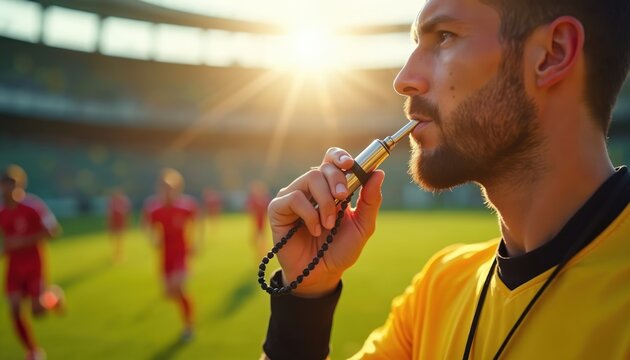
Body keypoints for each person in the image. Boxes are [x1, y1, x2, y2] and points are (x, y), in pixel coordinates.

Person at [261, 0, 630, 359]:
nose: (403, 80)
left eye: (445, 36)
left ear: (552, 52)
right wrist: (306, 297)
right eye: (415, 44)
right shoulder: (440, 287)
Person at [0, 165, 64, 360]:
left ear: (18, 186)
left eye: (8, 186)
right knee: (15, 308)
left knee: (38, 311)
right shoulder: (1, 211)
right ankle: (33, 351)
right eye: (2, 186)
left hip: (34, 264)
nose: (4, 191)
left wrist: (23, 241)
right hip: (14, 267)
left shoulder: (34, 206)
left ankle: (54, 297)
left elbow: (54, 231)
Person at [143, 168, 198, 341]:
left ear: (177, 188)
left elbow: (197, 219)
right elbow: (146, 225)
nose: (167, 191)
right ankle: (185, 312)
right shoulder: (155, 208)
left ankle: (188, 326)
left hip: (181, 252)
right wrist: (153, 238)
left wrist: (196, 242)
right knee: (169, 293)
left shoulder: (185, 206)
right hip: (165, 254)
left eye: (170, 187)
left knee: (178, 286)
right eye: (164, 187)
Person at [246, 181, 271, 262]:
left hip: (262, 221)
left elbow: (268, 209)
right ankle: (259, 253)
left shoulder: (264, 199)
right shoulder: (253, 199)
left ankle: (262, 253)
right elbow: (250, 209)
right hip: (255, 221)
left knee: (262, 237)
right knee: (255, 239)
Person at [106, 188, 131, 262]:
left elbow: (127, 214)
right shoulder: (112, 203)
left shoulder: (123, 202)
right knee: (116, 240)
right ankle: (116, 255)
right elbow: (109, 215)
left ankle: (120, 255)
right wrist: (109, 225)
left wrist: (126, 224)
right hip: (114, 224)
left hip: (121, 224)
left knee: (120, 240)